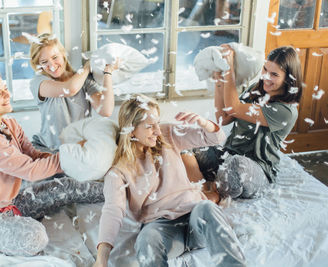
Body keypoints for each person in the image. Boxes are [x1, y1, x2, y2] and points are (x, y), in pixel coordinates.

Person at [0, 71, 104, 256]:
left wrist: (73, 156)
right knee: (35, 236)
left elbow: (34, 156)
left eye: (5, 89)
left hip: (10, 205)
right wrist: (71, 156)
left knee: (67, 186)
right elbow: (31, 171)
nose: (7, 94)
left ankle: (120, 190)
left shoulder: (9, 124)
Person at [94, 94, 246, 267]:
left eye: (158, 123)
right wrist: (101, 259)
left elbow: (216, 138)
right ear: (131, 129)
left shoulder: (166, 134)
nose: (157, 131)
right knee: (146, 240)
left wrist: (204, 123)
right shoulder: (118, 170)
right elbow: (113, 211)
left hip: (195, 216)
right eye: (150, 126)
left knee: (207, 207)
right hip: (162, 229)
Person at [191, 45, 303, 199]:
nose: (266, 77)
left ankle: (214, 195)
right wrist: (219, 78)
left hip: (256, 168)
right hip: (228, 155)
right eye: (265, 70)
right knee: (191, 141)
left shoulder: (286, 111)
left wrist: (228, 68)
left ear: (288, 79)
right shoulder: (256, 90)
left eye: (274, 74)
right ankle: (200, 187)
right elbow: (224, 118)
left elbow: (234, 108)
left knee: (237, 165)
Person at [29, 33, 118, 152]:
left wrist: (108, 73)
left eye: (55, 57)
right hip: (48, 151)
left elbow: (106, 110)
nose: (51, 65)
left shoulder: (83, 80)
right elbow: (70, 89)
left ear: (63, 54)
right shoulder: (38, 82)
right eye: (44, 62)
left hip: (77, 150)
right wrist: (87, 66)